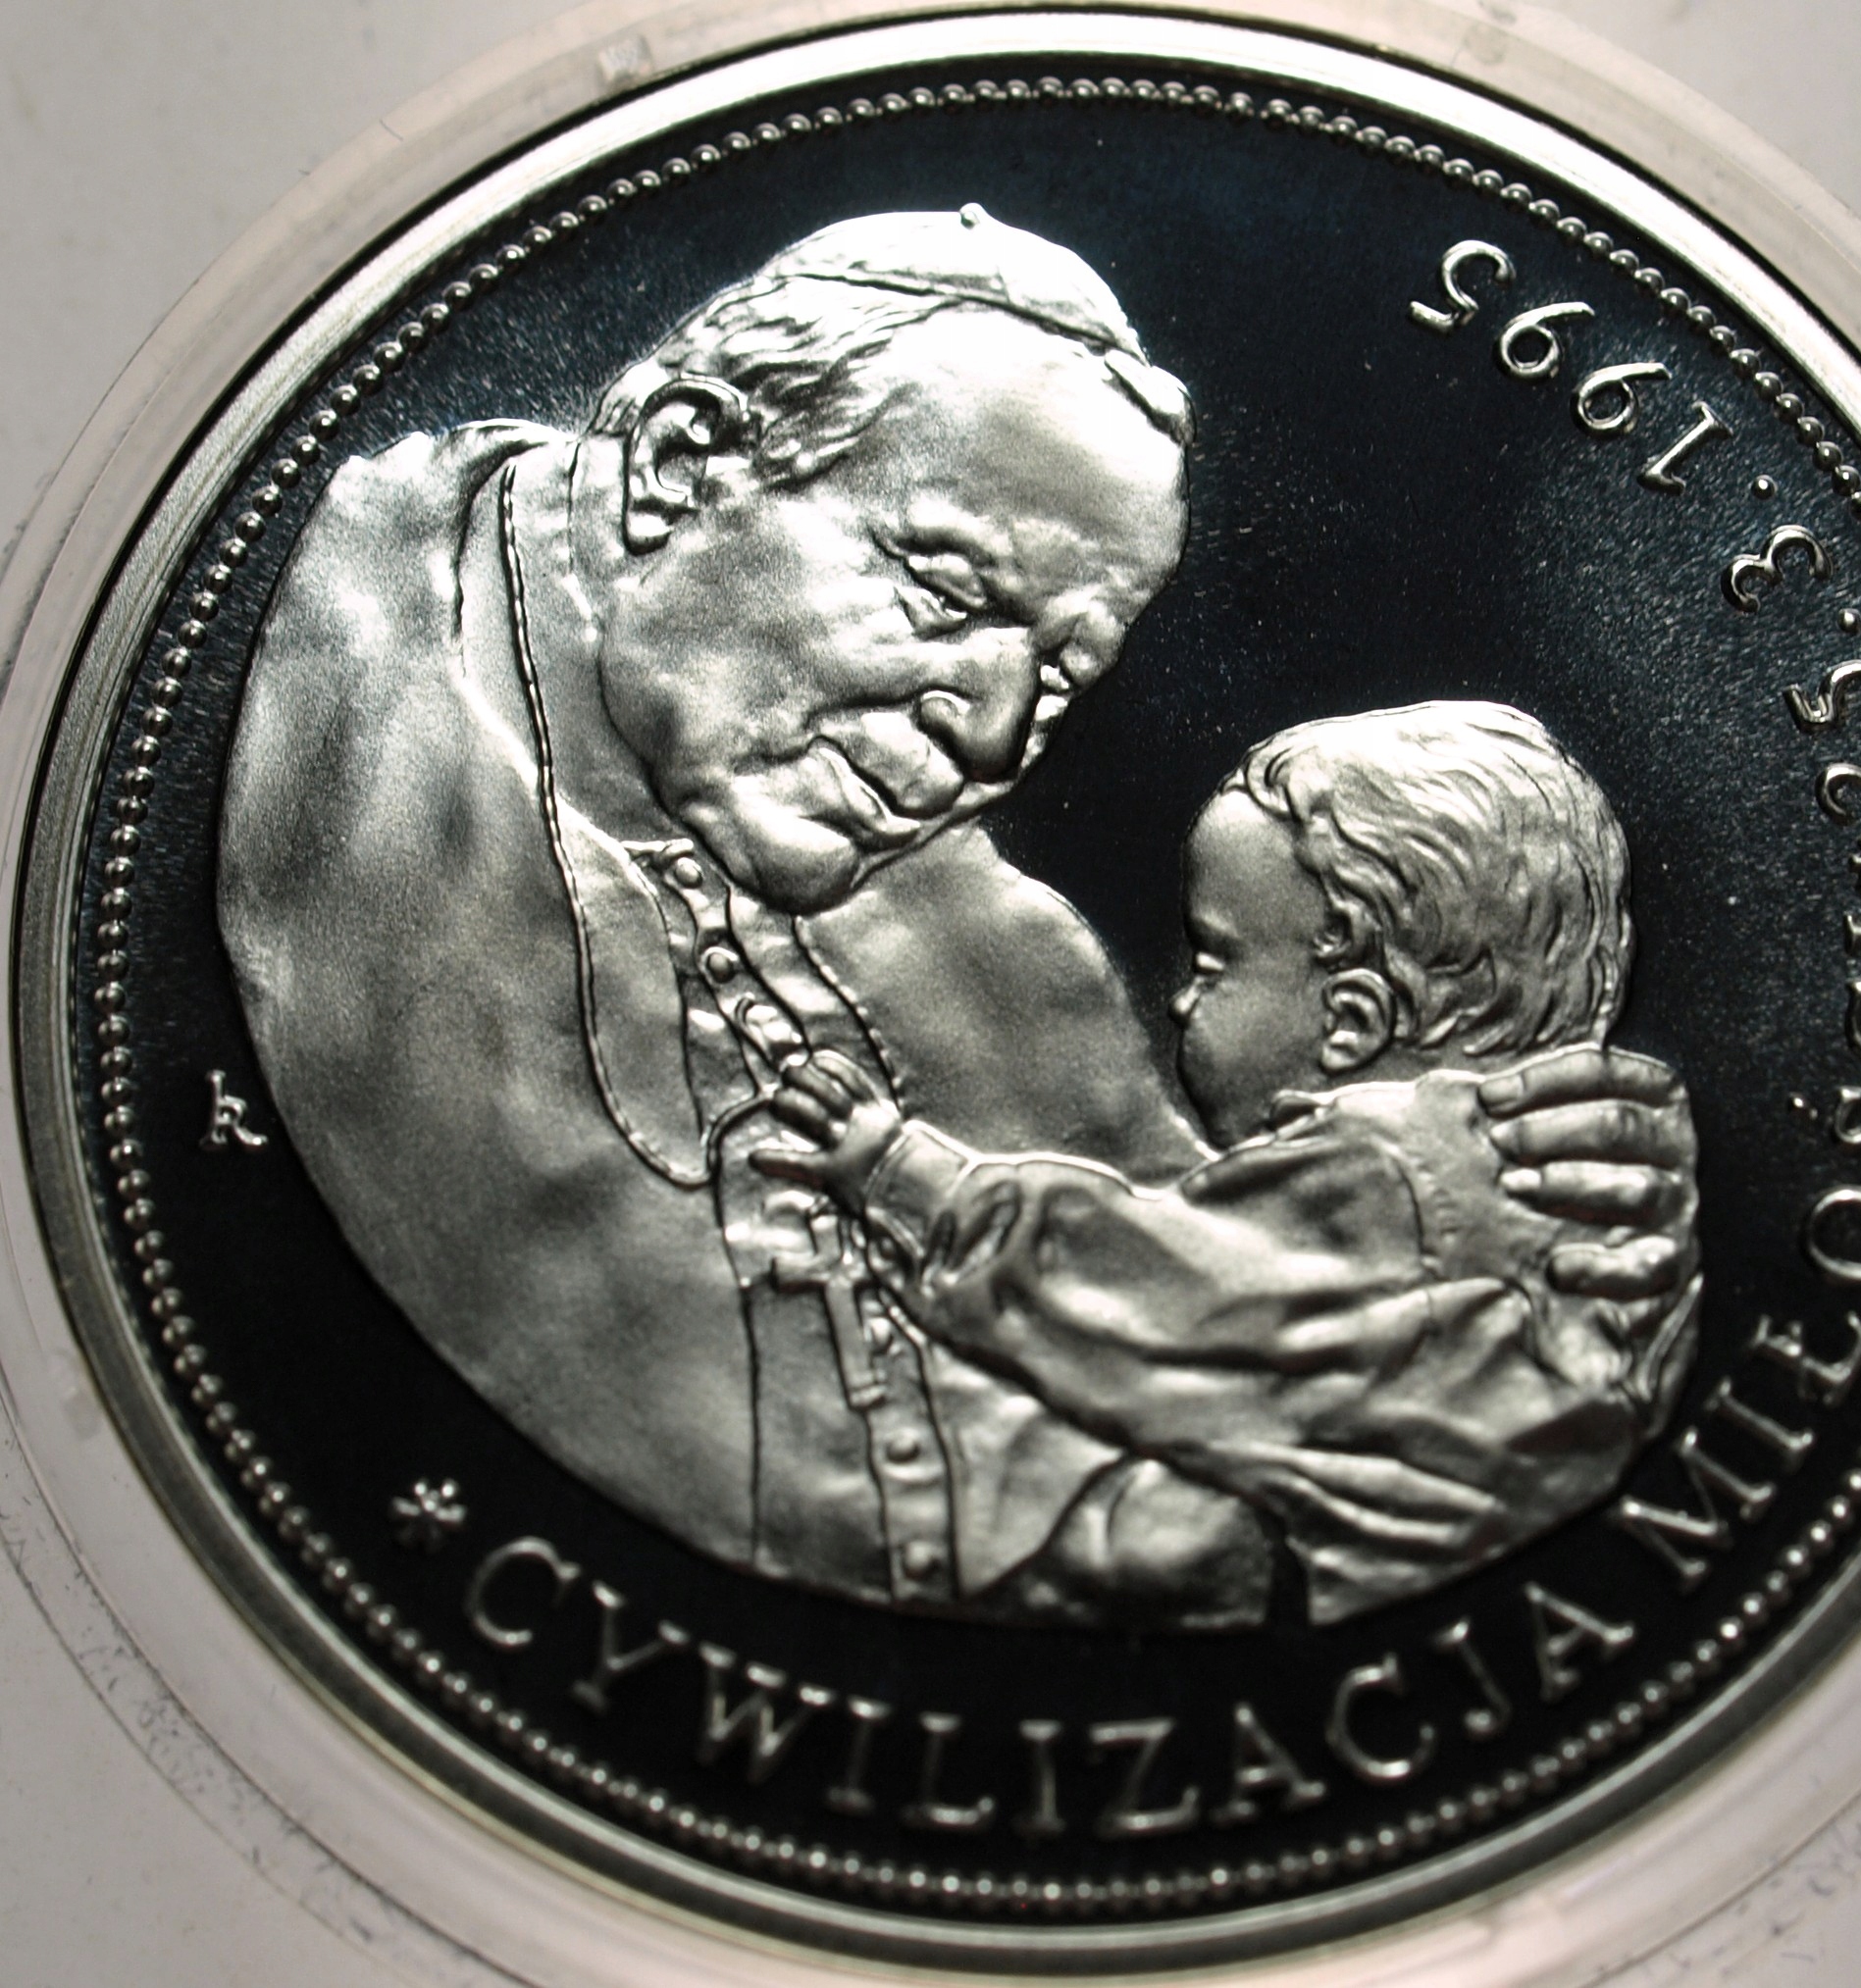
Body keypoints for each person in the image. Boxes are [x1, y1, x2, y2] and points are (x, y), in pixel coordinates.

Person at [220, 208, 1698, 1627]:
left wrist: (1512, 1275)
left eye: (1056, 674)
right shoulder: (326, 745)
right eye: (944, 588)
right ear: (679, 467)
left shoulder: (986, 937)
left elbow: (1219, 1325)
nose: (993, 735)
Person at [762, 704, 1698, 1623]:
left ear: (1354, 1020)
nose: (1178, 1000)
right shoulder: (1594, 1171)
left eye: (1213, 963)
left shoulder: (1388, 1176)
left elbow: (1146, 1289)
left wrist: (902, 1174)